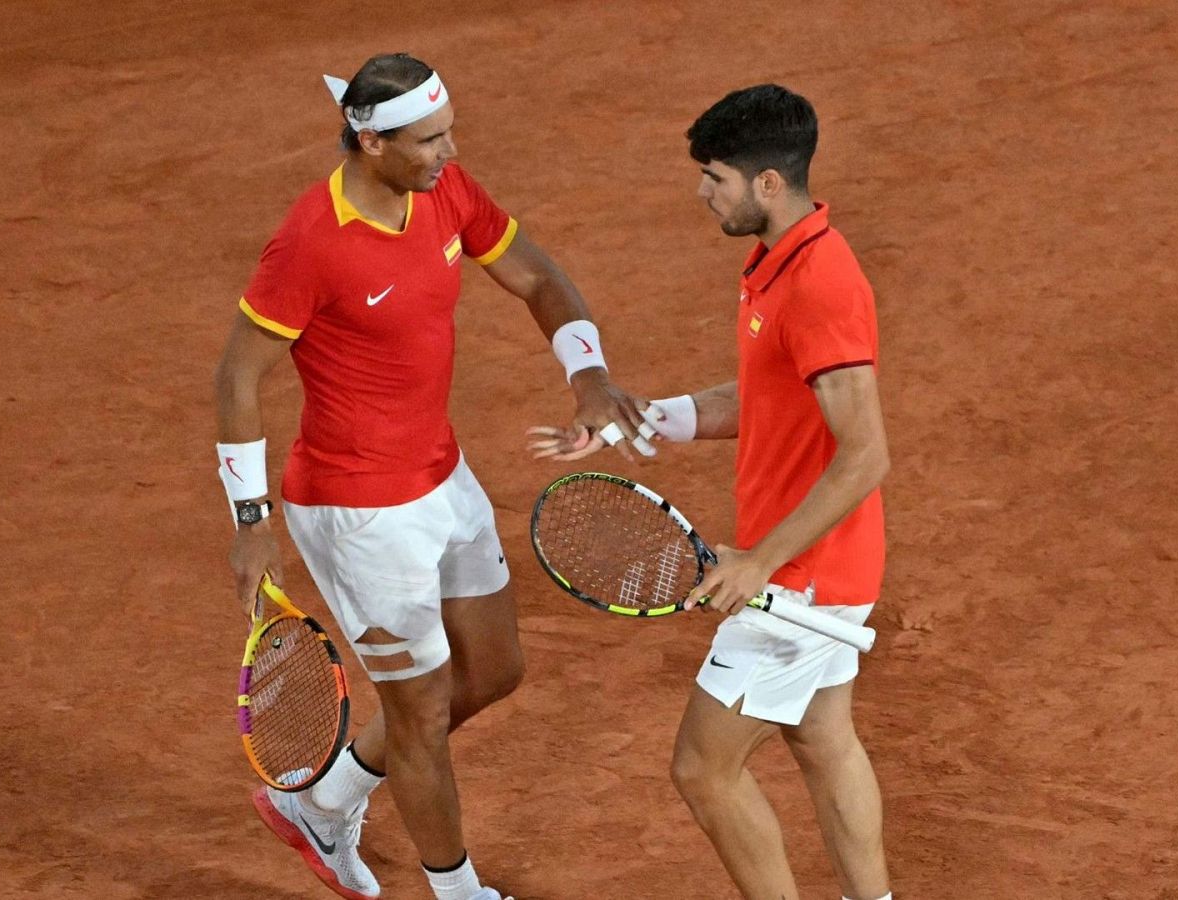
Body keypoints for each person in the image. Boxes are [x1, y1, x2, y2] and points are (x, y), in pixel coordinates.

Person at [214, 53, 649, 900]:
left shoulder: (442, 190)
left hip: (442, 477)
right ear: (370, 143)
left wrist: (587, 372)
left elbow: (539, 277)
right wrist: (250, 519)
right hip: (358, 514)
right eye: (428, 140)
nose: (449, 153)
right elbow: (237, 376)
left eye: (449, 134)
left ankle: (324, 801)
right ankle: (460, 893)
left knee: (492, 671)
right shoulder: (311, 241)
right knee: (417, 719)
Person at [529, 84, 894, 900]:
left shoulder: (822, 283)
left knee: (703, 769)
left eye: (716, 177)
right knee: (824, 738)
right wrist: (637, 421)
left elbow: (866, 454)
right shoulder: (777, 261)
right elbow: (761, 397)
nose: (703, 192)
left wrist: (762, 561)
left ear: (769, 183)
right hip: (819, 563)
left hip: (806, 573)